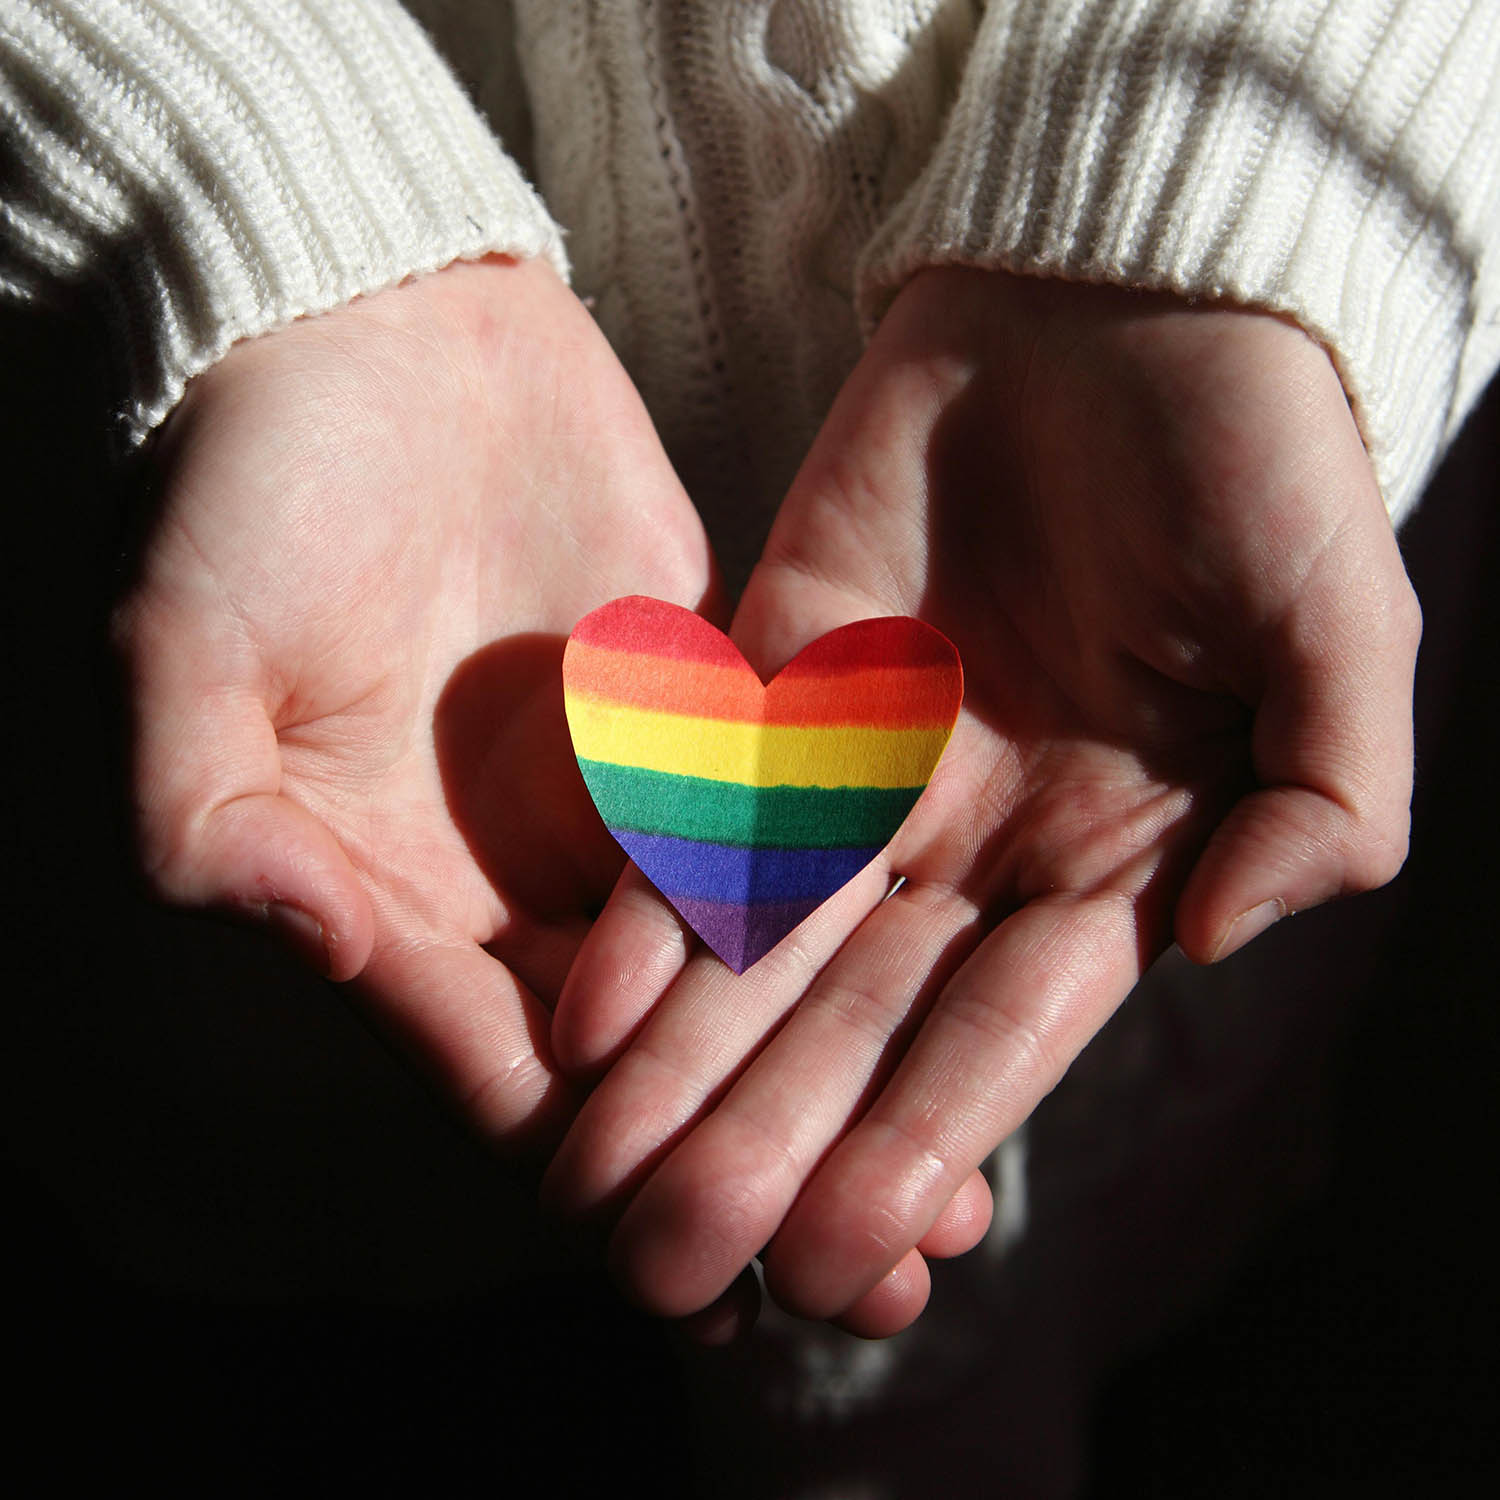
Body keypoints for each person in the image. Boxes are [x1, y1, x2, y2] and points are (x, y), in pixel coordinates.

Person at [4, 0, 1496, 1351]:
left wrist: (1228, 190)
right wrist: (236, 170)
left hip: (1097, 782)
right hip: (374, 872)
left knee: (1047, 1230)